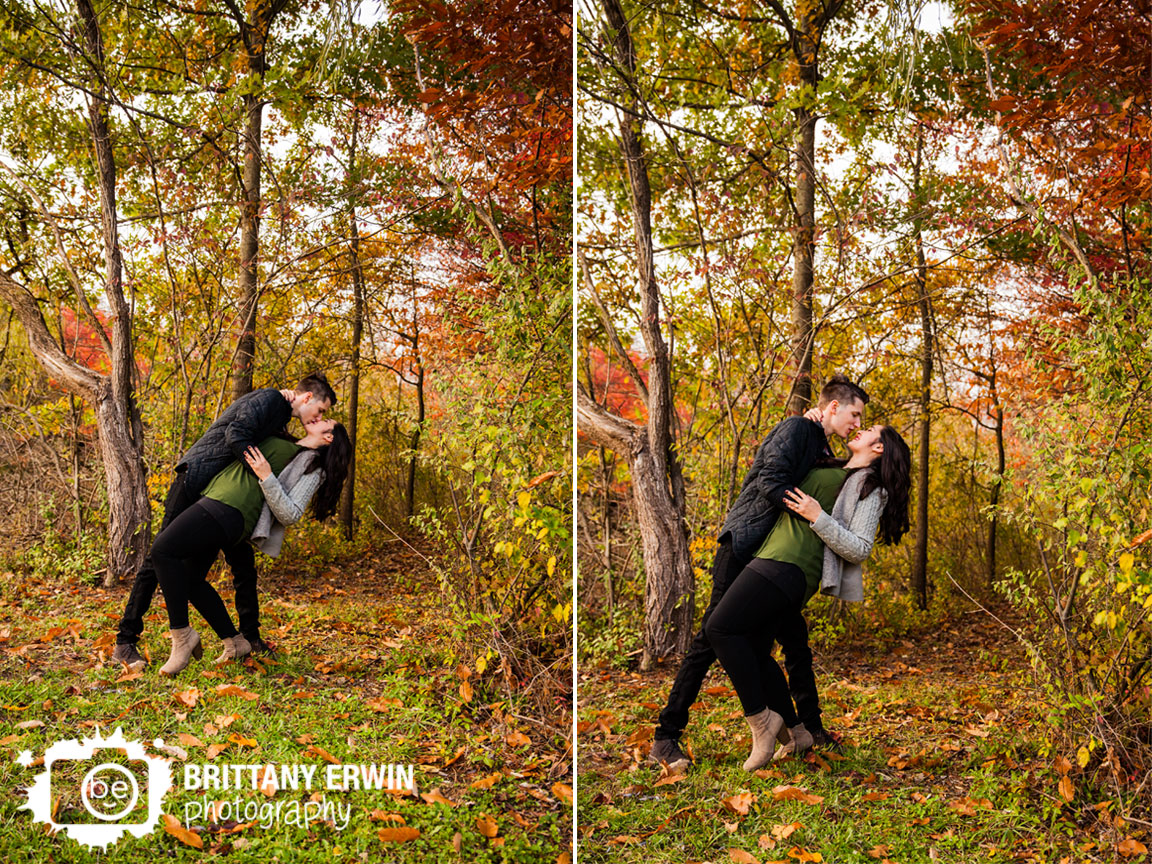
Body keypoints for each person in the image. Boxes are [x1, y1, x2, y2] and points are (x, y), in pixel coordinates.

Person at [648, 376, 869, 772]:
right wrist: (807, 512)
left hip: (771, 558)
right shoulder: (799, 428)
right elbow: (770, 480)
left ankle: (803, 730)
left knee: (790, 641)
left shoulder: (816, 439)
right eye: (854, 414)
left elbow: (816, 471)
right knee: (710, 638)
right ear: (833, 407)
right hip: (746, 546)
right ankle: (666, 737)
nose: (856, 423)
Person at [705, 425, 912, 771]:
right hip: (772, 555)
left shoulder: (869, 486)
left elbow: (860, 548)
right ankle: (798, 731)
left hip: (793, 564)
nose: (860, 427)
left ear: (878, 448)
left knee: (720, 629)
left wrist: (818, 516)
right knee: (756, 647)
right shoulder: (834, 466)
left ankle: (762, 721)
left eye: (869, 428)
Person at [112, 373, 337, 670]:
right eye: (321, 410)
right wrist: (259, 469)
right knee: (160, 556)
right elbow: (236, 434)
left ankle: (244, 639)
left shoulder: (280, 418)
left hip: (223, 496)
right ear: (307, 398)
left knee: (239, 566)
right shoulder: (271, 399)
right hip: (197, 480)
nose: (319, 416)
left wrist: (258, 479)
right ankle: (125, 641)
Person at [154, 418, 352, 674]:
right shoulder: (287, 440)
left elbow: (291, 513)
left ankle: (181, 637)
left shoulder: (314, 466)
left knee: (162, 550)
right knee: (191, 580)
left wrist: (266, 476)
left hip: (230, 510)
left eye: (325, 420)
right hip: (219, 500)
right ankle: (234, 642)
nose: (318, 417)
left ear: (329, 437)